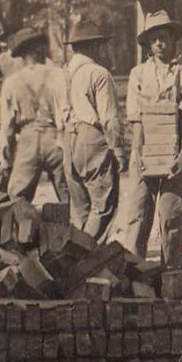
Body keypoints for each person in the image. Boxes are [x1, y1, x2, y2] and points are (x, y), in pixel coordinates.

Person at [122, 11, 182, 269]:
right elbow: (136, 118)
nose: (159, 44)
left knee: (171, 215)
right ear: (147, 43)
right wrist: (138, 156)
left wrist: (181, 153)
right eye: (154, 39)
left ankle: (171, 275)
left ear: (172, 40)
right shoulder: (138, 74)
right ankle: (136, 275)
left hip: (176, 153)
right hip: (144, 152)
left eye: (163, 38)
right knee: (138, 215)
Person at [61, 23, 123, 241]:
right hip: (92, 138)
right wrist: (119, 150)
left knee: (79, 209)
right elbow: (109, 118)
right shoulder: (99, 74)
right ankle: (81, 257)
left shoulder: (62, 75)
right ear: (95, 47)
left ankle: (75, 255)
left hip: (68, 139)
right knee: (103, 205)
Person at [0, 26, 68, 204]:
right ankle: (73, 230)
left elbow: (7, 127)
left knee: (17, 197)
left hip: (28, 140)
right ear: (39, 49)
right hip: (56, 139)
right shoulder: (59, 75)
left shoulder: (12, 82)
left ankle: (23, 229)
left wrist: (8, 156)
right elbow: (67, 110)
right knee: (68, 195)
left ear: (22, 54)